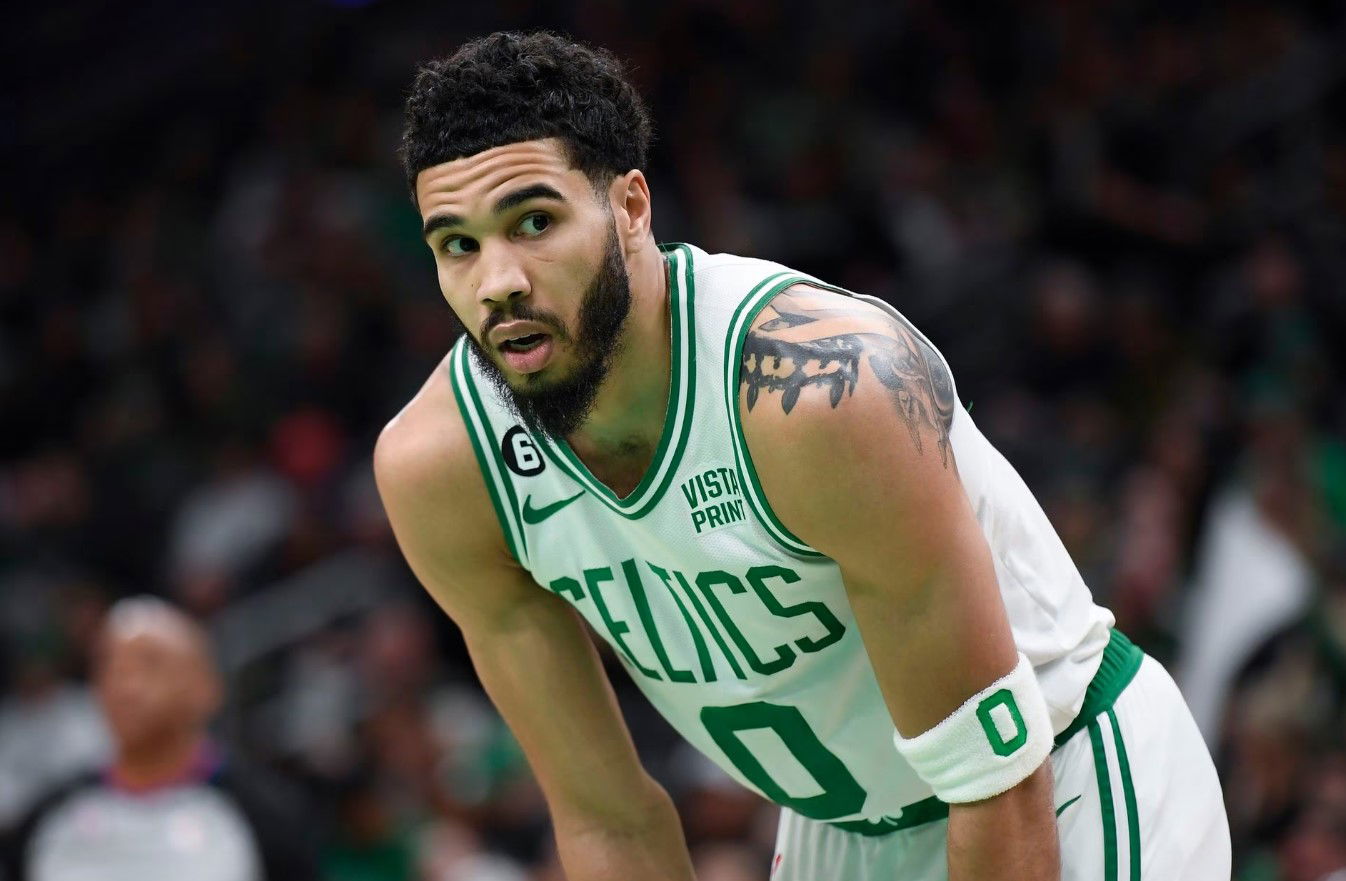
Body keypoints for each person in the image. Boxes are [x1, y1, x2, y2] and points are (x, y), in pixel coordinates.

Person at [375, 31, 1231, 881]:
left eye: (534, 222)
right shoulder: (444, 471)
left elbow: (994, 776)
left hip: (1057, 773)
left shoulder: (823, 395)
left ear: (631, 207)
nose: (498, 282)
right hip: (846, 832)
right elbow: (609, 818)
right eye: (458, 244)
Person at [1, 597, 316, 881]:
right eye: (110, 666)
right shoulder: (47, 819)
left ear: (206, 687)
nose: (127, 687)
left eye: (150, 664)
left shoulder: (267, 818)